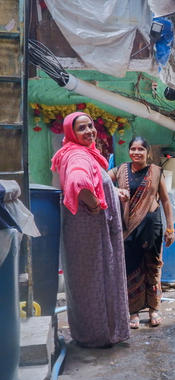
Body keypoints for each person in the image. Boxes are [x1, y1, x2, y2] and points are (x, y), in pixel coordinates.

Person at [50, 112, 130, 347]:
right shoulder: (77, 155)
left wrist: (112, 192)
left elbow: (94, 182)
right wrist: (96, 206)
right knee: (96, 278)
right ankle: (99, 335)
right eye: (82, 128)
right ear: (71, 133)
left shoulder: (77, 152)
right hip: (90, 232)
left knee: (87, 280)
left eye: (91, 126)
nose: (89, 132)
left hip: (84, 232)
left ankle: (90, 332)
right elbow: (79, 183)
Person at [108, 136, 175, 329]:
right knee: (131, 266)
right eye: (133, 149)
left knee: (153, 266)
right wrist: (115, 192)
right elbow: (102, 181)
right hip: (129, 227)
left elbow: (165, 201)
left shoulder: (156, 171)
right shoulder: (120, 170)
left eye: (141, 149)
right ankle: (134, 311)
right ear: (129, 151)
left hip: (151, 225)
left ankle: (154, 308)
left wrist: (170, 228)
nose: (136, 153)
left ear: (147, 152)